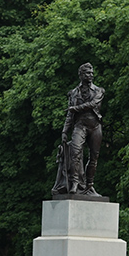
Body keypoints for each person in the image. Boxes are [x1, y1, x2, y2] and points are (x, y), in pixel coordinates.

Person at [52, 62, 105, 197]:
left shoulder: (99, 90)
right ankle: (75, 183)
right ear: (81, 75)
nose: (91, 75)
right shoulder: (74, 93)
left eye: (92, 73)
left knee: (93, 158)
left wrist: (75, 108)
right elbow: (70, 115)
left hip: (95, 126)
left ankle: (89, 186)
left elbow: (93, 104)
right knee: (75, 152)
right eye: (88, 73)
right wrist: (64, 131)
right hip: (80, 125)